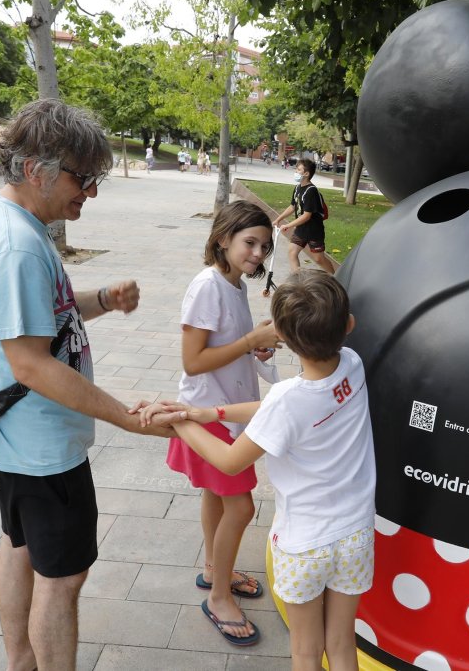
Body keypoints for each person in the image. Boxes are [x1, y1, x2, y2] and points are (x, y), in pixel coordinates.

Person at [0, 99, 170, 671]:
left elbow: (32, 326)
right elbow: (31, 363)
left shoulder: (8, 223)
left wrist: (99, 300)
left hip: (15, 440)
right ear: (34, 169)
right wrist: (127, 415)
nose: (90, 192)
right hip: (41, 448)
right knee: (63, 577)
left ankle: (21, 660)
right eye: (83, 177)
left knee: (20, 547)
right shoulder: (15, 245)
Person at [139, 270, 377, 669]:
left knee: (305, 650)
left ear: (280, 336)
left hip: (304, 545)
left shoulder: (288, 398)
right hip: (355, 534)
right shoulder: (352, 365)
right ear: (348, 325)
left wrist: (180, 421)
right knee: (340, 644)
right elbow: (275, 414)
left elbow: (231, 460)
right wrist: (207, 412)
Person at [164, 200, 281, 646]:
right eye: (250, 242)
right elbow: (193, 362)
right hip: (209, 413)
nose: (258, 253)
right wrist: (251, 340)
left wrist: (256, 349)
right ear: (223, 238)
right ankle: (218, 597)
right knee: (242, 507)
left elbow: (226, 346)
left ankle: (217, 569)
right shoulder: (207, 286)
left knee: (218, 497)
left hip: (225, 410)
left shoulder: (232, 285)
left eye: (265, 246)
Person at [272, 159, 338, 276]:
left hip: (314, 231)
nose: (296, 172)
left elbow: (307, 216)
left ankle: (336, 278)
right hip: (301, 230)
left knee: (319, 259)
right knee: (292, 252)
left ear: (306, 174)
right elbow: (292, 206)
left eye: (298, 170)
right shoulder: (298, 188)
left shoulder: (311, 191)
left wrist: (288, 225)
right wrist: (279, 219)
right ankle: (297, 280)